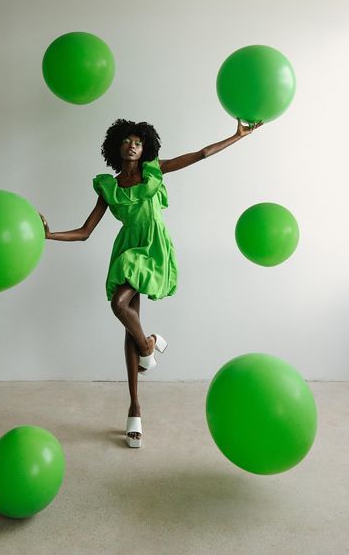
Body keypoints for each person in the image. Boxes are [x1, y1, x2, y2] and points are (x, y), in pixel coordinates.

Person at [40, 117, 262, 448]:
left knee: (119, 306)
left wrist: (237, 136)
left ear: (146, 148)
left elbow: (200, 154)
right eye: (127, 141)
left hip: (153, 247)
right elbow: (85, 232)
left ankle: (148, 345)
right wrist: (49, 235)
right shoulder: (109, 186)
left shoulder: (154, 171)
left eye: (139, 142)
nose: (133, 145)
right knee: (130, 324)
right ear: (117, 146)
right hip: (127, 248)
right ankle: (135, 406)